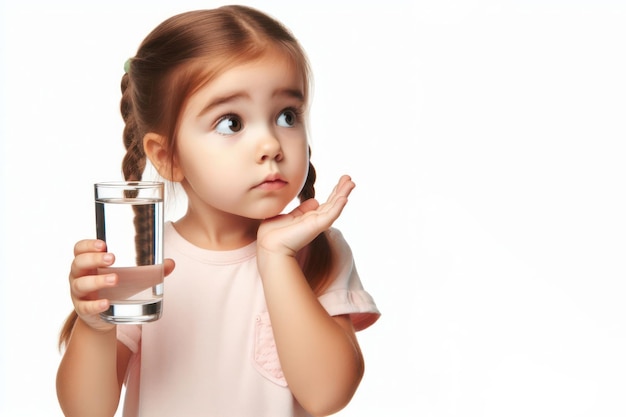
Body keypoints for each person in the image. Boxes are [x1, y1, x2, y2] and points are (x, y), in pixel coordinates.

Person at [56, 5, 380, 417]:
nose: (271, 145)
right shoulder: (144, 261)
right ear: (168, 155)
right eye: (231, 122)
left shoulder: (317, 250)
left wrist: (276, 258)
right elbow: (87, 411)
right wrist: (96, 325)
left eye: (286, 115)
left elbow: (328, 394)